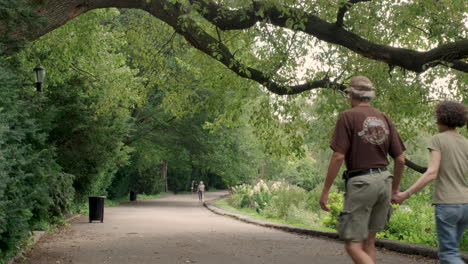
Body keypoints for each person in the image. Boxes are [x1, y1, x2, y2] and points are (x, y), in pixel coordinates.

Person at [319, 76, 406, 264]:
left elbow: (338, 156)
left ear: (351, 94)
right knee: (369, 243)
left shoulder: (348, 116)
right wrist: (395, 189)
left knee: (352, 244)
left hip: (362, 182)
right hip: (384, 180)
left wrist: (325, 190)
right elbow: (400, 160)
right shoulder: (384, 118)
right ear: (370, 95)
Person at [393, 101, 467, 264]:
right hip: (465, 205)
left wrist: (406, 194)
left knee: (448, 255)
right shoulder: (465, 143)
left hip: (448, 204)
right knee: (451, 253)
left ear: (441, 118)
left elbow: (432, 172)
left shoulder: (438, 139)